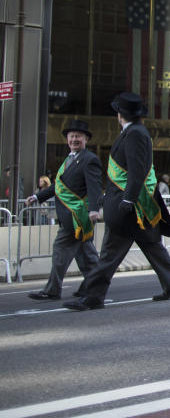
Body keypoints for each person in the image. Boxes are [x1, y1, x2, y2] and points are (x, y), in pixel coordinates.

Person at [64, 93, 170, 311]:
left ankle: (93, 296)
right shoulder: (133, 132)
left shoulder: (135, 134)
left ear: (120, 114)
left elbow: (137, 170)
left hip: (129, 206)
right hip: (133, 204)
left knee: (109, 255)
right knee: (151, 244)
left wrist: (127, 199)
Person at [25, 120, 101, 301]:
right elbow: (58, 186)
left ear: (86, 140)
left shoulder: (89, 160)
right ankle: (95, 284)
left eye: (78, 137)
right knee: (87, 256)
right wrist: (38, 197)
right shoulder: (69, 159)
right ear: (67, 139)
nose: (74, 139)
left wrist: (94, 209)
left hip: (77, 216)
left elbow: (95, 187)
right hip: (69, 216)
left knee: (60, 249)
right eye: (72, 136)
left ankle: (52, 290)